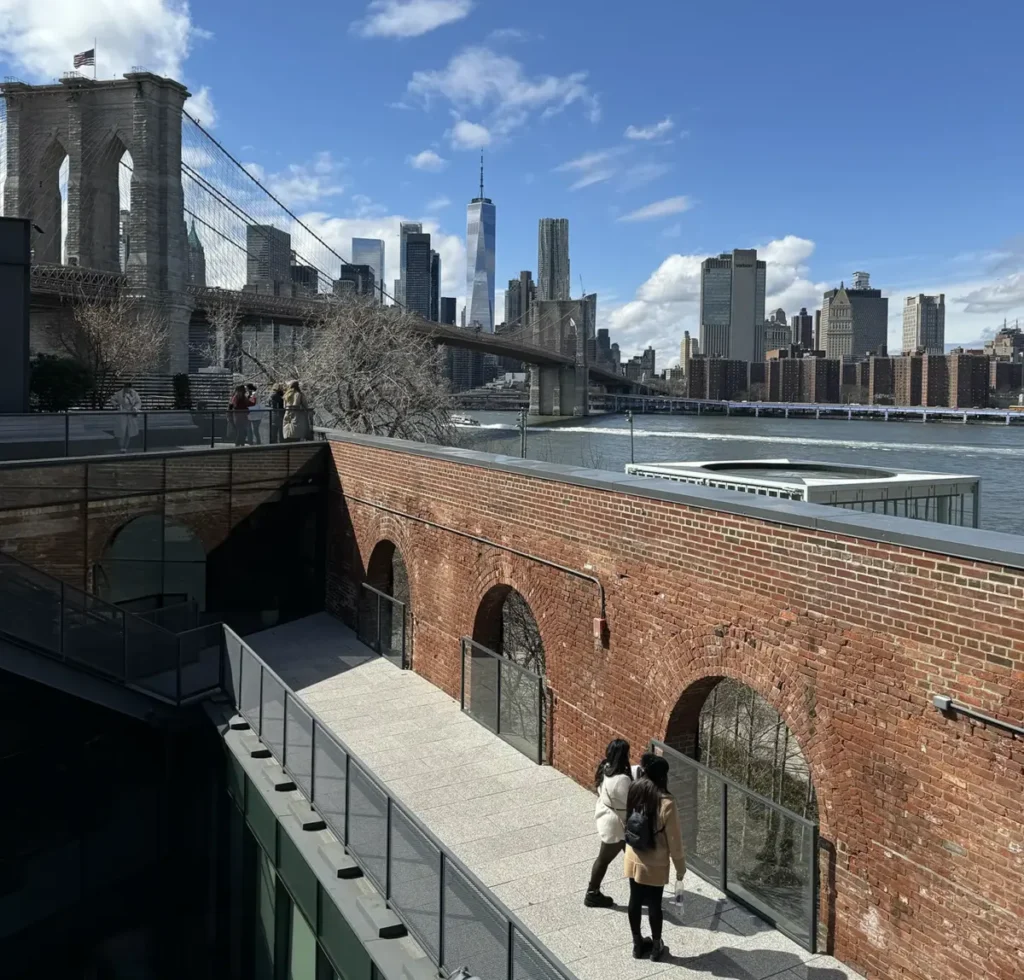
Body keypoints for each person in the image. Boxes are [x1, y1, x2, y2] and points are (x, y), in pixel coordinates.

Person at [623, 756, 686, 961]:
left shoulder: (635, 789)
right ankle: (657, 946)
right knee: (654, 904)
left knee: (635, 899)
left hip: (634, 854)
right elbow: (674, 840)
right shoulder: (667, 802)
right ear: (663, 776)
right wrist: (680, 867)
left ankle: (637, 944)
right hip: (655, 861)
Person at [585, 739, 632, 908]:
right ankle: (592, 893)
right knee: (605, 858)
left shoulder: (605, 768)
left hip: (608, 818)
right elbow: (631, 802)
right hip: (617, 825)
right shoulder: (622, 780)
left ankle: (642, 891)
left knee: (633, 856)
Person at [110, 382, 141, 453]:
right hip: (122, 413)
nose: (128, 389)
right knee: (121, 430)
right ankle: (121, 446)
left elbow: (138, 402)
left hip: (130, 413)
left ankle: (125, 447)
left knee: (129, 431)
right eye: (127, 388)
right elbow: (112, 399)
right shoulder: (119, 393)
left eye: (129, 388)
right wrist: (117, 405)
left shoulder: (134, 393)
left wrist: (135, 408)